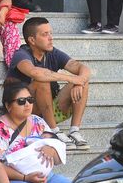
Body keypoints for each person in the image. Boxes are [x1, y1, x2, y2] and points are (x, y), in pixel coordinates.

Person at [7, 17, 92, 147]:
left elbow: (82, 68)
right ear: (32, 40)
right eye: (45, 34)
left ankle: (75, 131)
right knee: (42, 81)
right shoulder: (21, 55)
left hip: (48, 109)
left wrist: (79, 82)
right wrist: (71, 78)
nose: (51, 37)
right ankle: (54, 131)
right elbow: (35, 73)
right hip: (23, 111)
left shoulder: (52, 52)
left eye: (50, 33)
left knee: (82, 81)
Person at [0, 83, 70, 183]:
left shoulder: (37, 121)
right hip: (15, 180)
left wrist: (52, 150)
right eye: (21, 101)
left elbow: (57, 157)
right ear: (8, 106)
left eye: (30, 100)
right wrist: (25, 178)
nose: (27, 104)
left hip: (45, 177)